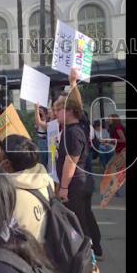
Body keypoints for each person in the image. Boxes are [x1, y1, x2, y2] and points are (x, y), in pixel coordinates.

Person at [56, 69, 103, 257]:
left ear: (69, 111)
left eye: (58, 109)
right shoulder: (80, 123)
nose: (56, 113)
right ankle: (95, 248)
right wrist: (73, 83)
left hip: (76, 183)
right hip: (83, 181)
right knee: (86, 216)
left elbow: (70, 161)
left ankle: (86, 254)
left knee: (77, 219)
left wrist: (64, 187)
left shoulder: (72, 131)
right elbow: (78, 104)